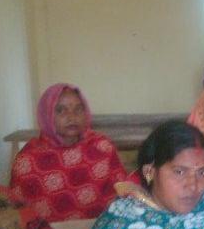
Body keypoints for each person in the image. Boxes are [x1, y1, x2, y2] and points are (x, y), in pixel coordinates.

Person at [9, 83, 127, 221]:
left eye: (78, 109)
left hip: (99, 228)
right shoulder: (29, 160)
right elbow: (18, 210)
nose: (71, 117)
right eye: (60, 110)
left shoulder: (101, 148)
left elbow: (123, 193)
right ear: (46, 115)